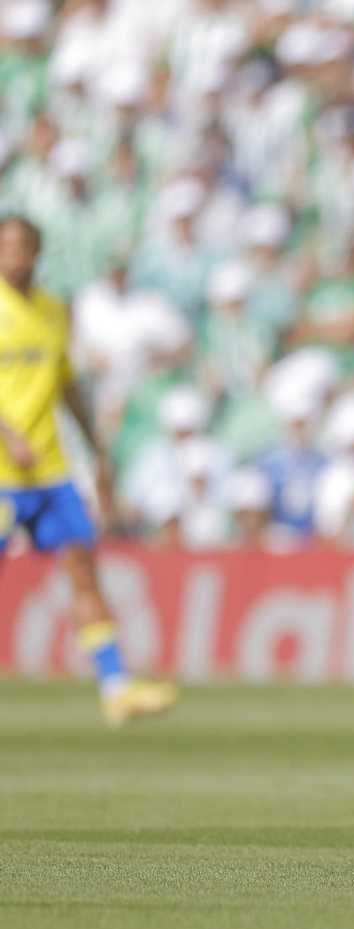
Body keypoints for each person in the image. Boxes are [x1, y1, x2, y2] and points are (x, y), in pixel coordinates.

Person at [0, 216, 177, 726]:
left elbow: (66, 383)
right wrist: (8, 434)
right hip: (4, 470)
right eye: (5, 246)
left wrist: (96, 449)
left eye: (23, 246)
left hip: (51, 468)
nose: (15, 255)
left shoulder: (56, 309)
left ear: (37, 251)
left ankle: (116, 689)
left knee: (83, 568)